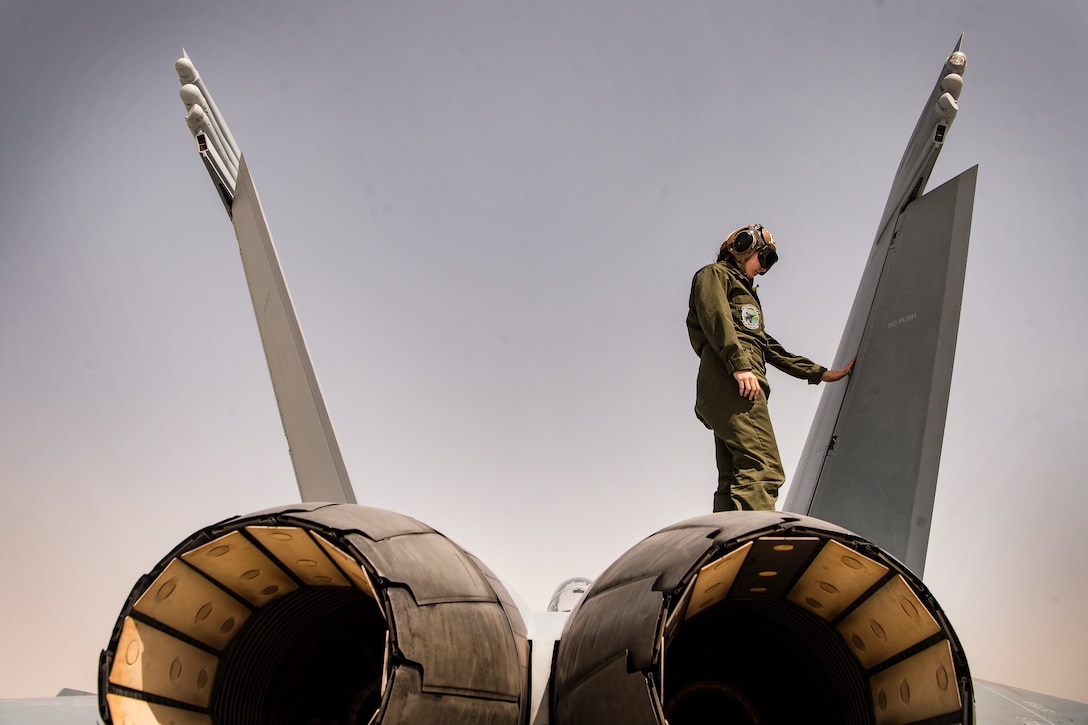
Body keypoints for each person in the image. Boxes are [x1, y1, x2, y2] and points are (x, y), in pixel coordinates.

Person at [686, 224, 854, 512]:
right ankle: (760, 550)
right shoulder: (714, 275)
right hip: (735, 384)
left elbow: (768, 346)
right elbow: (717, 319)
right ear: (742, 247)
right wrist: (740, 367)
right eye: (764, 259)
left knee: (734, 478)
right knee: (764, 467)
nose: (764, 269)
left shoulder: (744, 293)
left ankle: (727, 546)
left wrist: (818, 372)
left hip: (731, 386)